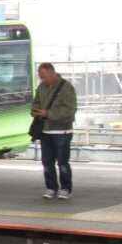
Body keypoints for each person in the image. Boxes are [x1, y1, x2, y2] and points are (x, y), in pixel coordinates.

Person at [31, 62, 78, 200]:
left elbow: (70, 110)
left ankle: (66, 188)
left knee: (62, 163)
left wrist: (48, 114)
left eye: (44, 77)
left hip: (62, 131)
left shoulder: (66, 87)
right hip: (45, 131)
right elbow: (35, 103)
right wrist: (35, 111)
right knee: (47, 162)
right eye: (40, 77)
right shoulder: (41, 87)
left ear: (52, 73)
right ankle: (51, 187)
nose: (42, 80)